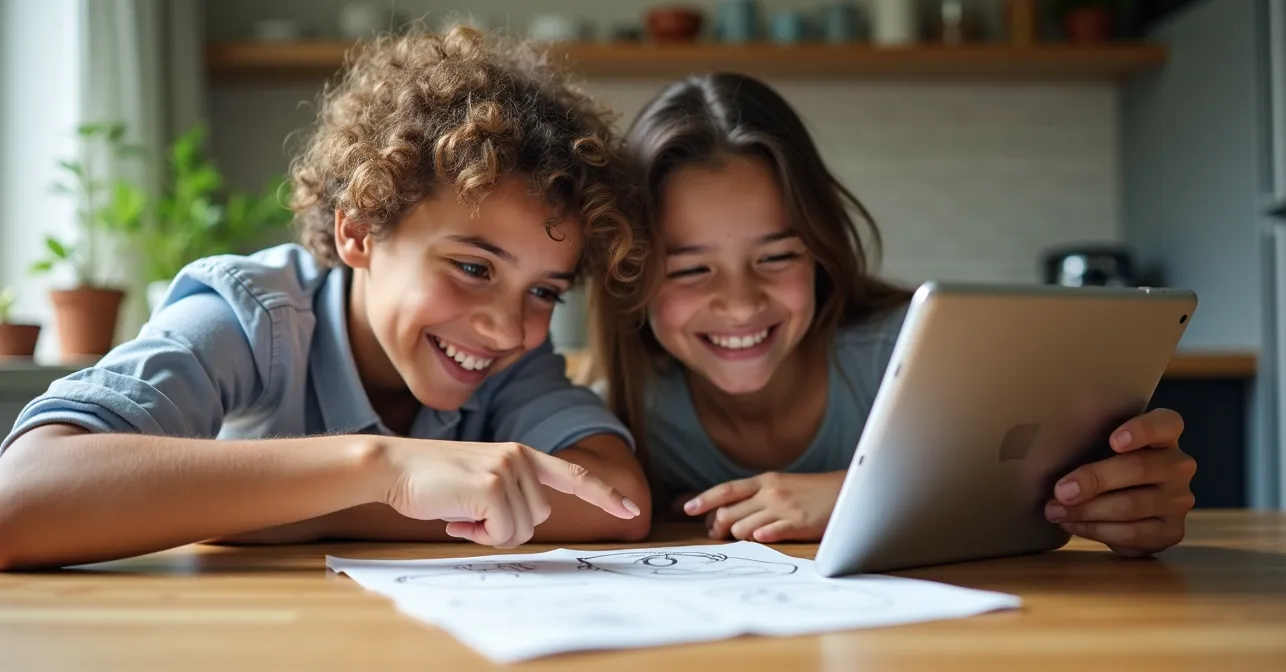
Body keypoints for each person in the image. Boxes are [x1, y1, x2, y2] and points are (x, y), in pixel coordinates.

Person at [0, 27, 654, 571]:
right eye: (472, 267)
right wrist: (383, 468)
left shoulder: (510, 362)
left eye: (544, 291)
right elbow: (20, 496)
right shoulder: (251, 314)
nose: (508, 326)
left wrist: (309, 509)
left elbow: (615, 501)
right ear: (358, 232)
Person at [588, 72, 1196, 556]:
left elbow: (1037, 494)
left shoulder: (910, 353)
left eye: (777, 256)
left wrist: (1129, 501)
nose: (742, 302)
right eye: (691, 268)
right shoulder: (632, 404)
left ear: (822, 254)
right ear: (632, 276)